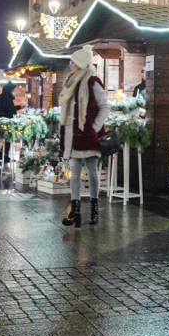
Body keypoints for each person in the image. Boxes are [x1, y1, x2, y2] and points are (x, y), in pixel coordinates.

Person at [59, 45, 110, 228]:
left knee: (92, 172)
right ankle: (75, 211)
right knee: (74, 174)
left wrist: (94, 129)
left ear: (80, 63)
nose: (70, 65)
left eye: (73, 61)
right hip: (73, 137)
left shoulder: (92, 82)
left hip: (88, 137)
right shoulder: (71, 83)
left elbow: (104, 107)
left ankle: (94, 209)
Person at [0, 82, 21, 164]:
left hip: (6, 119)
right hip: (7, 120)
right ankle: (5, 155)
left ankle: (2, 154)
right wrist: (20, 107)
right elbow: (9, 109)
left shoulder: (5, 97)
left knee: (7, 138)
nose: (14, 91)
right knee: (8, 138)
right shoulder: (6, 97)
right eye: (13, 89)